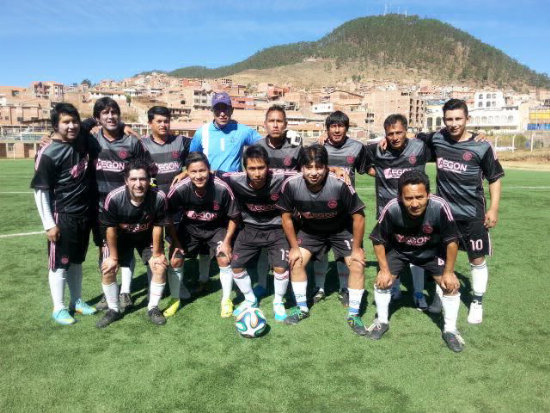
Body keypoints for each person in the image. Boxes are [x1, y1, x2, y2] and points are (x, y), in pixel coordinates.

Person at [417, 99, 504, 323]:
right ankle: (440, 296)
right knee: (442, 258)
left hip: (472, 214)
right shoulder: (437, 138)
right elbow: (410, 142)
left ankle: (476, 302)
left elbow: (494, 178)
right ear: (443, 120)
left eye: (458, 119)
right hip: (444, 214)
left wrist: (493, 208)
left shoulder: (482, 145)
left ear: (467, 119)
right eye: (449, 119)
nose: (453, 124)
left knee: (476, 258)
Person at [367, 170, 465, 352]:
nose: (414, 203)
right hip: (400, 251)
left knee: (450, 286)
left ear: (428, 194)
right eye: (408, 198)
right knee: (382, 281)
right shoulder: (392, 207)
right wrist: (384, 269)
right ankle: (381, 321)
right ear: (400, 196)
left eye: (419, 197)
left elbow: (452, 241)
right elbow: (378, 240)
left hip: (431, 252)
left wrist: (449, 272)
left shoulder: (439, 206)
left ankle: (450, 330)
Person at [276, 144, 368, 336]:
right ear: (301, 168)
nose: (314, 172)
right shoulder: (291, 185)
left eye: (319, 167)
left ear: (326, 166)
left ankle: (353, 314)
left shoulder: (340, 183)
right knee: (296, 261)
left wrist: (357, 248)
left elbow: (359, 216)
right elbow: (285, 217)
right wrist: (293, 247)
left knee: (357, 264)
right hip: (311, 232)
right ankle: (302, 308)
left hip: (341, 230)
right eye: (309, 167)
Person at [187, 92, 262, 292]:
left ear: (231, 110)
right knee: (207, 232)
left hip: (234, 191)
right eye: (218, 109)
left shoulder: (243, 130)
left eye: (225, 108)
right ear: (212, 110)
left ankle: (237, 274)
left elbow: (264, 145)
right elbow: (192, 157)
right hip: (208, 189)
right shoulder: (202, 132)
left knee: (233, 232)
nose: (222, 113)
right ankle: (204, 278)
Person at [31, 103, 97, 325]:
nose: (72, 126)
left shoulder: (81, 137)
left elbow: (92, 121)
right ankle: (58, 307)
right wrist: (49, 224)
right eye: (65, 122)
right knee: (60, 263)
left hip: (83, 214)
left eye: (74, 121)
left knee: (77, 262)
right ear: (55, 125)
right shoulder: (48, 151)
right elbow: (41, 191)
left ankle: (76, 302)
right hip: (62, 216)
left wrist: (125, 127)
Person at [220, 145, 296, 321]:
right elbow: (212, 174)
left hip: (277, 229)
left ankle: (278, 301)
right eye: (252, 168)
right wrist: (187, 173)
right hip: (250, 229)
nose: (257, 173)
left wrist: (332, 169)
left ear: (268, 167)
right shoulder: (235, 179)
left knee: (280, 267)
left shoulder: (281, 177)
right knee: (236, 266)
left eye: (261, 167)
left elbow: (303, 173)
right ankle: (250, 299)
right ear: (245, 169)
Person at [364, 114, 431, 309]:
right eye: (390, 133)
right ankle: (394, 288)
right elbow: (360, 159)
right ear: (385, 134)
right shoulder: (377, 149)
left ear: (406, 131)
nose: (394, 137)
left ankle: (418, 293)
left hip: (416, 212)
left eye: (398, 132)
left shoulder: (420, 147)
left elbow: (444, 139)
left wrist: (476, 135)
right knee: (390, 252)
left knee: (417, 253)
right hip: (387, 213)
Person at [87, 97, 147, 312]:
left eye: (114, 112)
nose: (111, 116)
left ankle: (126, 292)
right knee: (104, 250)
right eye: (105, 113)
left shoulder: (131, 141)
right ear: (98, 118)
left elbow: (146, 167)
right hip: (100, 207)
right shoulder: (92, 140)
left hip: (128, 207)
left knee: (127, 249)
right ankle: (108, 292)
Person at [166, 152, 240, 318]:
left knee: (224, 257)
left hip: (216, 228)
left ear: (209, 170)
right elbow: (166, 217)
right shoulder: (180, 188)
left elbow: (234, 217)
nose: (198, 176)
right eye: (193, 172)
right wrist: (175, 242)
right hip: (190, 228)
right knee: (175, 258)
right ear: (187, 172)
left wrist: (227, 242)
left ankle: (226, 300)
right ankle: (174, 299)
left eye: (202, 171)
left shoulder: (222, 188)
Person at [97, 159, 169, 328]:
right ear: (126, 181)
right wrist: (113, 258)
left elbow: (158, 226)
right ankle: (113, 310)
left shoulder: (158, 197)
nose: (138, 184)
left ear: (149, 179)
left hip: (145, 236)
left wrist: (157, 254)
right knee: (107, 268)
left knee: (159, 266)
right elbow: (110, 230)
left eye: (142, 179)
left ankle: (153, 307)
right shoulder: (114, 198)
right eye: (134, 179)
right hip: (120, 237)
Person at [140, 106, 192, 317]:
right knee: (152, 248)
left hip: (176, 204)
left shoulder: (182, 142)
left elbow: (198, 158)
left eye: (166, 121)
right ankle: (155, 285)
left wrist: (186, 171)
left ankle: (178, 286)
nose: (163, 125)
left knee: (176, 247)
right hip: (150, 206)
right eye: (159, 121)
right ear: (150, 123)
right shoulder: (141, 145)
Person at [313, 111, 368, 307]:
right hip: (320, 206)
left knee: (343, 251)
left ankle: (344, 288)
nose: (337, 130)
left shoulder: (357, 147)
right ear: (327, 128)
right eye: (333, 126)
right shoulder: (319, 147)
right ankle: (319, 288)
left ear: (346, 128)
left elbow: (367, 167)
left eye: (341, 126)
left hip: (345, 209)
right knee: (320, 250)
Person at [253, 105, 302, 295]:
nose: (275, 125)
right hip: (265, 207)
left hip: (289, 208)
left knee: (290, 246)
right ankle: (262, 284)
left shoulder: (296, 148)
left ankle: (290, 283)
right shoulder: (256, 148)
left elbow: (303, 174)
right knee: (264, 248)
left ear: (286, 124)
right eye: (271, 121)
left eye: (279, 121)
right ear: (265, 124)